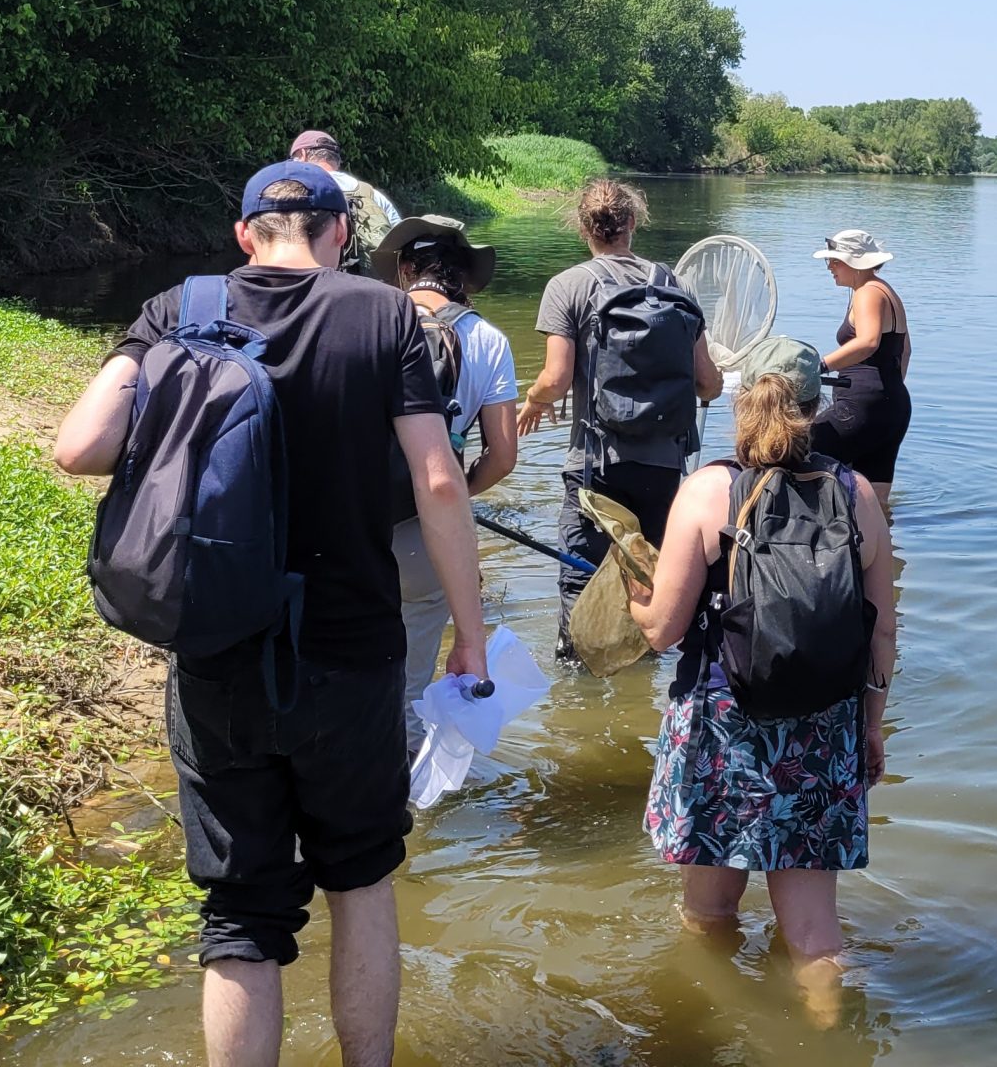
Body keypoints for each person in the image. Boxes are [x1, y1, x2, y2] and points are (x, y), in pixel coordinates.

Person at [53, 161, 486, 1067]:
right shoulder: (385, 316)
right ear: (340, 234)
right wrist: (470, 636)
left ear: (246, 235)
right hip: (351, 649)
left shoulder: (179, 309)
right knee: (360, 878)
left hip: (218, 647)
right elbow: (440, 482)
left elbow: (79, 448)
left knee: (241, 911)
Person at [627, 336, 897, 1007]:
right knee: (816, 936)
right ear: (815, 409)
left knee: (709, 913)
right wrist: (871, 729)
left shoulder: (706, 491)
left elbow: (662, 630)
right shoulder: (858, 495)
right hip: (822, 730)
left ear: (744, 402)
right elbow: (882, 634)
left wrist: (633, 595)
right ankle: (829, 1029)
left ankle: (708, 1019)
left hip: (722, 728)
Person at [516, 179, 721, 657]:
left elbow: (555, 378)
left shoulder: (568, 285)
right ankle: (642, 681)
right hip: (663, 467)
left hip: (596, 466)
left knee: (581, 577)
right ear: (631, 223)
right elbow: (708, 383)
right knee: (649, 581)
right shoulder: (676, 285)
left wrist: (533, 400)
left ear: (583, 227)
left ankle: (575, 686)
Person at [370, 213, 519, 755]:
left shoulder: (369, 319)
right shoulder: (490, 341)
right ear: (463, 276)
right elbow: (503, 457)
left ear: (406, 270)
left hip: (352, 522)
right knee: (409, 688)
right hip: (425, 539)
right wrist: (453, 497)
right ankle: (403, 795)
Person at [809, 228, 914, 506]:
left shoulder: (867, 293)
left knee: (796, 453)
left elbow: (868, 341)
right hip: (893, 407)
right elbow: (905, 351)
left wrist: (819, 367)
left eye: (834, 261)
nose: (830, 267)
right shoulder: (887, 291)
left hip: (860, 407)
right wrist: (885, 392)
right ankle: (879, 536)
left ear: (854, 263)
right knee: (875, 503)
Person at [288, 129, 400, 272]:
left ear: (302, 155)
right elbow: (400, 240)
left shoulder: (295, 190)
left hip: (315, 282)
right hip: (370, 282)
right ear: (337, 161)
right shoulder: (373, 195)